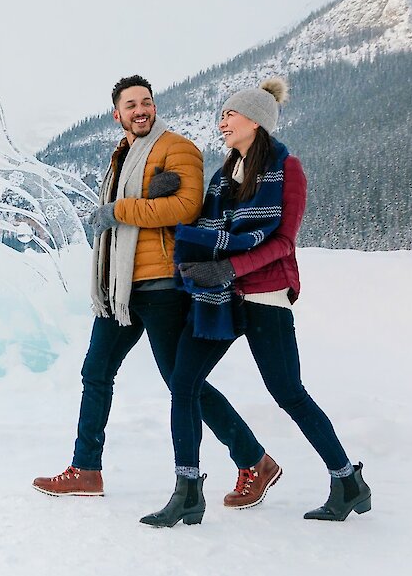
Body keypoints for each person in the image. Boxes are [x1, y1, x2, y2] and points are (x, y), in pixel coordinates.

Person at [140, 78, 371, 527]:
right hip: (220, 297)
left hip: (264, 295)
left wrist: (231, 269)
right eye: (222, 114)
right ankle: (187, 491)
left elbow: (283, 241)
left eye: (230, 114)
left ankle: (347, 481)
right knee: (183, 382)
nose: (222, 121)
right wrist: (167, 199)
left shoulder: (288, 170)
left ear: (256, 121)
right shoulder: (224, 176)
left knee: (288, 392)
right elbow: (205, 225)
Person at [34, 76, 269, 498]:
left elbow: (186, 207)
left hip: (162, 285)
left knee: (182, 381)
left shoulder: (176, 148)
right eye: (131, 105)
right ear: (117, 115)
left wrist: (119, 209)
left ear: (154, 107)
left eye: (146, 102)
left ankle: (254, 459)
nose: (140, 110)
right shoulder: (123, 156)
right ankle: (86, 469)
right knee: (96, 372)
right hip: (120, 291)